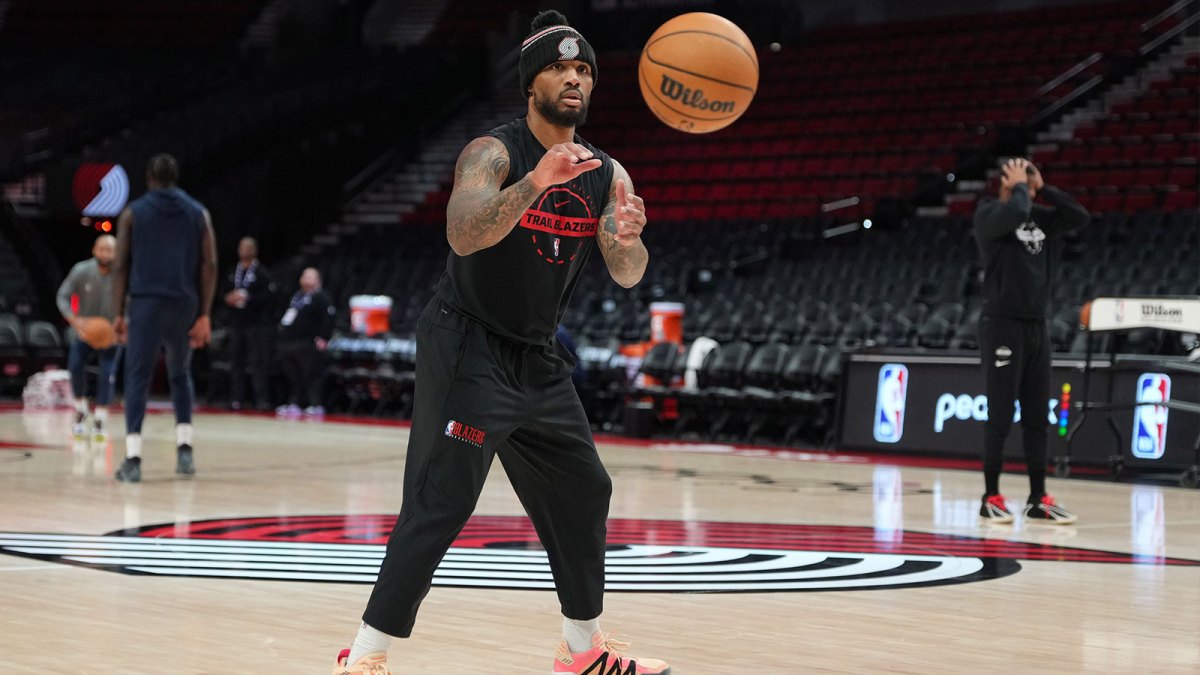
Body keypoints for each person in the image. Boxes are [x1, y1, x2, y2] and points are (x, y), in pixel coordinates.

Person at [331, 10, 669, 675]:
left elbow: (627, 271)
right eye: (558, 68)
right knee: (442, 497)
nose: (573, 79)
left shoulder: (609, 173)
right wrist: (537, 181)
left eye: (583, 70)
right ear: (530, 83)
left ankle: (583, 650)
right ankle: (364, 654)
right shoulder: (493, 152)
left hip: (537, 354)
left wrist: (630, 240)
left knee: (584, 487)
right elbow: (462, 234)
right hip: (468, 341)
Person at [973, 157, 1089, 525]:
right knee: (1000, 414)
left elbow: (1078, 216)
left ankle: (1038, 497)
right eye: (1020, 173)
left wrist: (1043, 187)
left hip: (1036, 325)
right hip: (1002, 324)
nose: (1026, 181)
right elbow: (1016, 211)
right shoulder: (989, 214)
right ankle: (991, 496)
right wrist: (1021, 188)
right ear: (1005, 179)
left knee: (1038, 416)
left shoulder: (1039, 216)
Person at [111, 154, 217, 483]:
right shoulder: (199, 212)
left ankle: (133, 459)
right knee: (180, 374)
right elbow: (210, 264)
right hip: (183, 303)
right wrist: (205, 314)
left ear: (149, 178)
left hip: (146, 303)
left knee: (137, 378)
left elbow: (120, 265)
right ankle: (185, 451)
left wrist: (117, 313)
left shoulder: (133, 213)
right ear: (176, 177)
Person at [56, 234, 119, 448]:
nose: (105, 253)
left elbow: (133, 303)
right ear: (94, 250)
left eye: (110, 250)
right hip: (85, 331)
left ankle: (100, 418)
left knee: (107, 374)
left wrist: (124, 325)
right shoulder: (81, 270)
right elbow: (62, 296)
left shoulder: (122, 275)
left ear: (116, 253)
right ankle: (81, 410)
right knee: (75, 366)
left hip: (111, 334)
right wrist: (73, 320)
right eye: (102, 249)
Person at [221, 236, 275, 411]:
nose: (244, 251)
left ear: (254, 251)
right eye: (241, 247)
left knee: (257, 362)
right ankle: (236, 398)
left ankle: (261, 399)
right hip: (236, 323)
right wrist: (229, 298)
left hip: (255, 324)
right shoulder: (232, 272)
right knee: (236, 361)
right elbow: (222, 293)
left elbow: (269, 298)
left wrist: (248, 298)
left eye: (247, 248)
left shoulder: (262, 274)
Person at [275, 267, 334, 418]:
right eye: (304, 276)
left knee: (311, 375)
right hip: (290, 342)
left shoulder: (321, 298)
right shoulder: (296, 296)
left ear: (317, 280)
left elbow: (328, 319)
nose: (305, 279)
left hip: (308, 343)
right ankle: (294, 403)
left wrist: (324, 338)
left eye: (309, 276)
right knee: (293, 376)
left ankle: (315, 404)